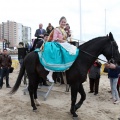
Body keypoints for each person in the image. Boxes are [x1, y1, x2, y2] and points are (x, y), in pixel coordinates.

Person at [43, 16, 78, 83]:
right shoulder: (56, 29)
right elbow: (55, 39)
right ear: (60, 22)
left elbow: (64, 39)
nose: (63, 23)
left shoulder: (64, 31)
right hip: (57, 44)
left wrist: (65, 40)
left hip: (63, 43)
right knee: (57, 55)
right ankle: (50, 74)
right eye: (62, 22)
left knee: (73, 49)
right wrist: (63, 41)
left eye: (65, 22)